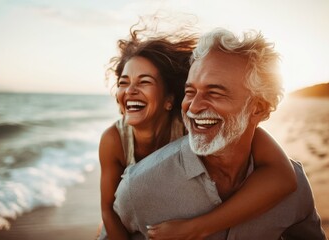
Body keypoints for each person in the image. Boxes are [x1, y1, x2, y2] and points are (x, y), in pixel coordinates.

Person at [101, 27, 327, 240]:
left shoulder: (288, 179)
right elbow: (109, 213)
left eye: (215, 92)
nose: (195, 106)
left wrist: (194, 228)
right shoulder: (132, 175)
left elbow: (283, 176)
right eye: (190, 92)